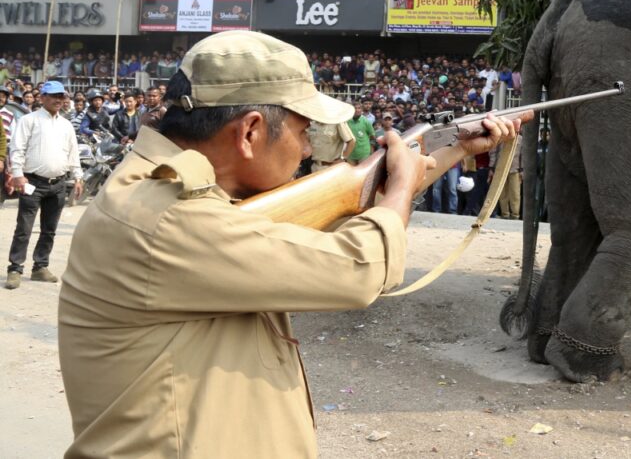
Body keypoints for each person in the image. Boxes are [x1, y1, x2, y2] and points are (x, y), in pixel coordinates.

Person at [57, 31, 527, 457]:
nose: (306, 150)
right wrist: (400, 187)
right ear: (250, 131)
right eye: (304, 132)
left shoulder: (172, 197)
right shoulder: (171, 216)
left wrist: (454, 151)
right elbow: (357, 268)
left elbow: (323, 220)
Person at [4, 81, 82, 289]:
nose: (59, 100)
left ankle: (40, 267)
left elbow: (72, 152)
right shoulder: (29, 120)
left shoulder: (66, 125)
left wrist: (78, 176)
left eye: (61, 96)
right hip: (32, 182)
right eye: (54, 96)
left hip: (58, 184)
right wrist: (18, 174)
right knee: (24, 228)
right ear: (42, 98)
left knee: (49, 229)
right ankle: (15, 268)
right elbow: (17, 149)